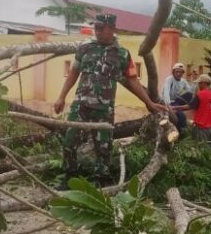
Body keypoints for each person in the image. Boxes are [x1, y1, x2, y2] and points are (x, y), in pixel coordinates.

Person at [54, 13, 167, 187]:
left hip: (104, 109)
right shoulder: (85, 48)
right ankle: (69, 176)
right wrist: (61, 97)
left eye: (101, 28)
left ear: (112, 29)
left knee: (104, 147)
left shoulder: (122, 54)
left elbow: (132, 80)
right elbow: (73, 74)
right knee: (69, 141)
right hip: (80, 106)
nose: (97, 31)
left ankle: (101, 180)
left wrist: (148, 103)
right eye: (95, 28)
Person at [172, 74, 211, 143]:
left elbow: (189, 106)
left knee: (200, 149)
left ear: (204, 83)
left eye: (199, 83)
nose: (198, 85)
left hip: (201, 128)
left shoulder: (200, 94)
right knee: (210, 151)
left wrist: (174, 107)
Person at [161, 62, 193, 135]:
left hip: (176, 101)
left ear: (182, 73)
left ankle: (179, 108)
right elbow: (166, 92)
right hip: (167, 102)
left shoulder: (183, 81)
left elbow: (190, 91)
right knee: (182, 116)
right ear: (173, 72)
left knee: (189, 94)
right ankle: (181, 133)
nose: (178, 74)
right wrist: (168, 106)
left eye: (180, 72)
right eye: (177, 72)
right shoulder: (169, 79)